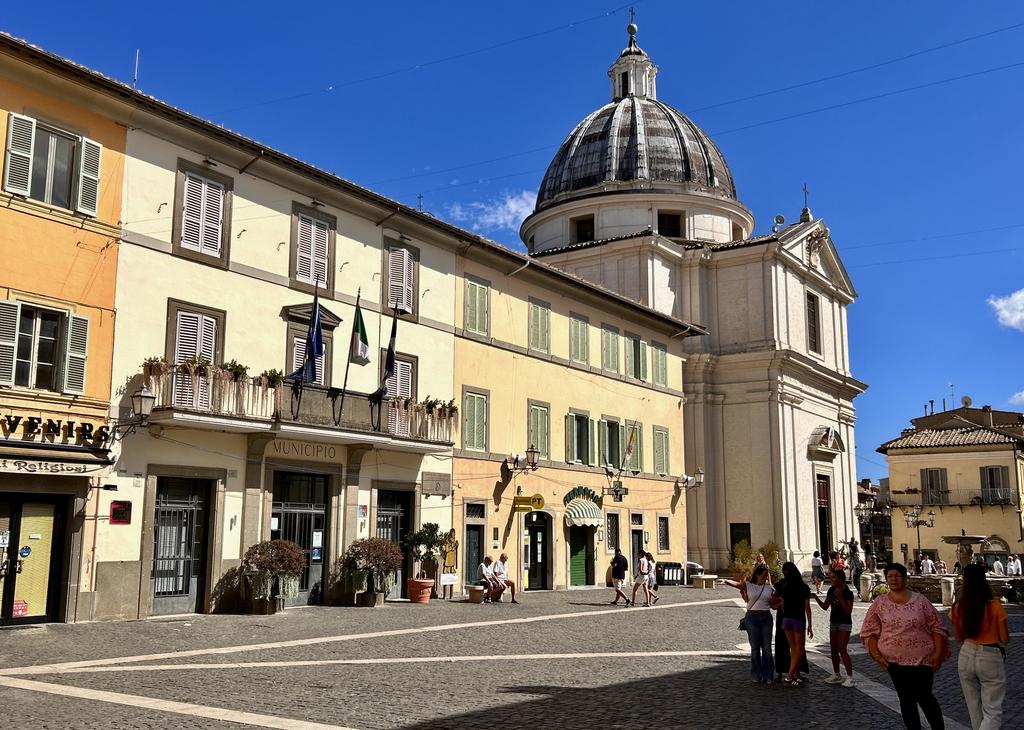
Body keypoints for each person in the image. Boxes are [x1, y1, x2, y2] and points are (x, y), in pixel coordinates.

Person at [861, 563, 949, 730]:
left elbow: (937, 626)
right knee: (905, 699)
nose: (893, 579)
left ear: (905, 578)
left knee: (925, 697)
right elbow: (869, 631)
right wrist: (877, 656)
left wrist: (938, 653)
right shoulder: (880, 603)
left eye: (897, 575)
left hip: (923, 659)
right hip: (894, 661)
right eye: (890, 576)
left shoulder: (921, 601)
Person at [951, 563, 1009, 730]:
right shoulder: (995, 606)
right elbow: (1004, 639)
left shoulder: (958, 607)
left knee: (974, 707)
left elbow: (958, 637)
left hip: (966, 654)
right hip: (990, 655)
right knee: (992, 710)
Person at [724, 564, 775, 684]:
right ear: (757, 574)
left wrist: (779, 603)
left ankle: (768, 675)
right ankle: (756, 674)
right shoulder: (748, 585)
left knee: (767, 648)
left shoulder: (769, 587)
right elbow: (736, 584)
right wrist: (725, 580)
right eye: (764, 575)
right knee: (755, 648)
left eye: (767, 575)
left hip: (766, 617)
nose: (766, 578)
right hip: (752, 618)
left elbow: (773, 603)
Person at [771, 561, 812, 687]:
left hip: (786, 620)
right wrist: (810, 624)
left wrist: (781, 604)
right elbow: (807, 607)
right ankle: (789, 678)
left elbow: (774, 601)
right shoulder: (804, 587)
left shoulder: (784, 587)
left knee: (793, 649)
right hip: (798, 620)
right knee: (798, 650)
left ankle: (796, 676)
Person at [815, 568, 855, 687]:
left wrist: (841, 598)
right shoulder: (831, 590)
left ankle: (849, 677)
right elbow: (825, 606)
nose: (831, 580)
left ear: (840, 579)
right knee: (833, 649)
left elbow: (848, 611)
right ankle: (836, 674)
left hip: (845, 623)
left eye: (833, 578)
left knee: (842, 649)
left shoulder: (847, 592)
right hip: (834, 622)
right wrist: (816, 598)